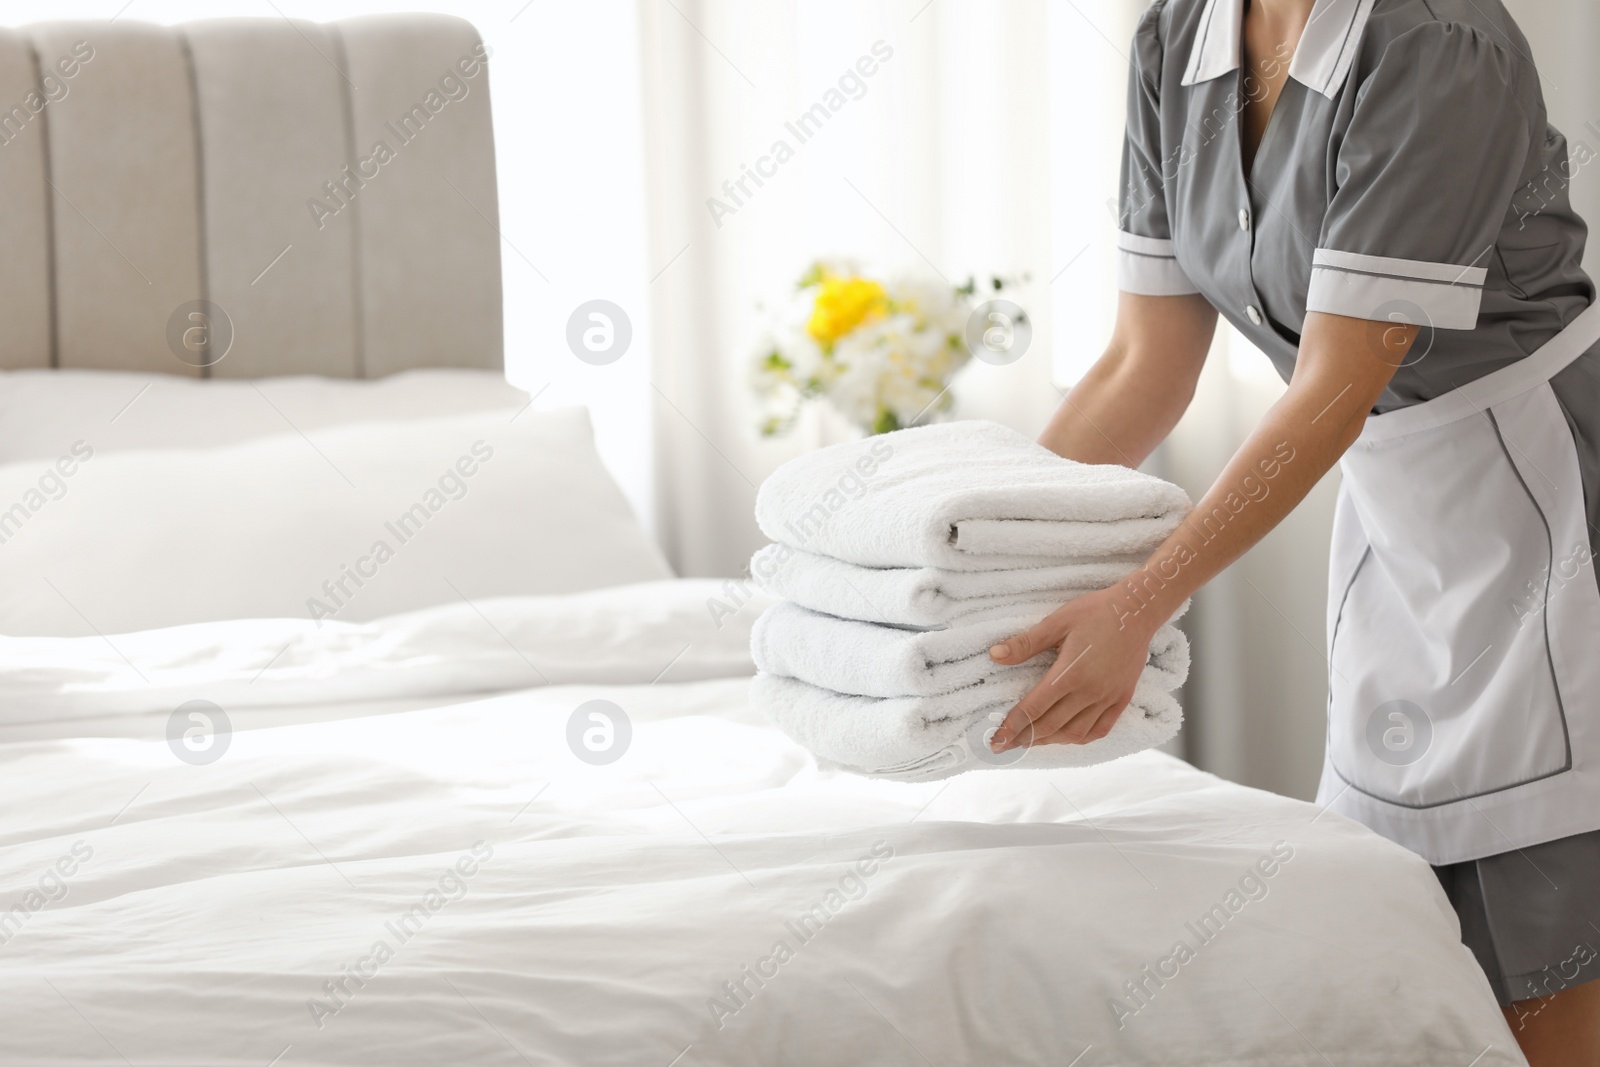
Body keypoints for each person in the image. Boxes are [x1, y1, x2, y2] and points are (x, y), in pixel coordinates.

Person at [986, 0, 1600, 1061]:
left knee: (1543, 950)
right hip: (1396, 511)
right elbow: (1145, 364)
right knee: (1408, 943)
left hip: (1553, 501)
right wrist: (981, 560)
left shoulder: (1433, 42)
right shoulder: (1176, 39)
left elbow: (1340, 377)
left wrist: (1140, 599)